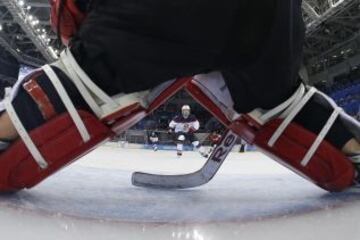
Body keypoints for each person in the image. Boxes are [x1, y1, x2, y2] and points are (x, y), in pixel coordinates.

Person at [0, 0, 359, 191]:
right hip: (276, 17)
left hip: (158, 13)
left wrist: (88, 57)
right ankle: (352, 148)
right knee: (281, 103)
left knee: (86, 81)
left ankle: (6, 130)